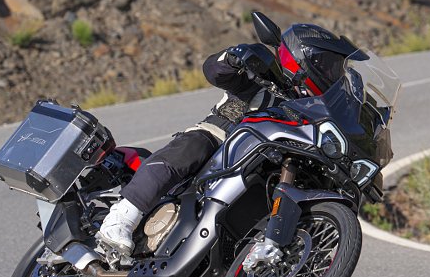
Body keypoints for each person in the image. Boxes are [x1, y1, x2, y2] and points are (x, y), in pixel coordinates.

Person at [97, 23, 358, 257]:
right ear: (306, 58)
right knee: (195, 145)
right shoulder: (267, 80)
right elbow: (215, 72)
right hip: (221, 144)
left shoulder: (316, 111)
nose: (332, 73)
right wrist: (234, 57)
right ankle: (121, 219)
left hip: (269, 164)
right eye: (328, 65)